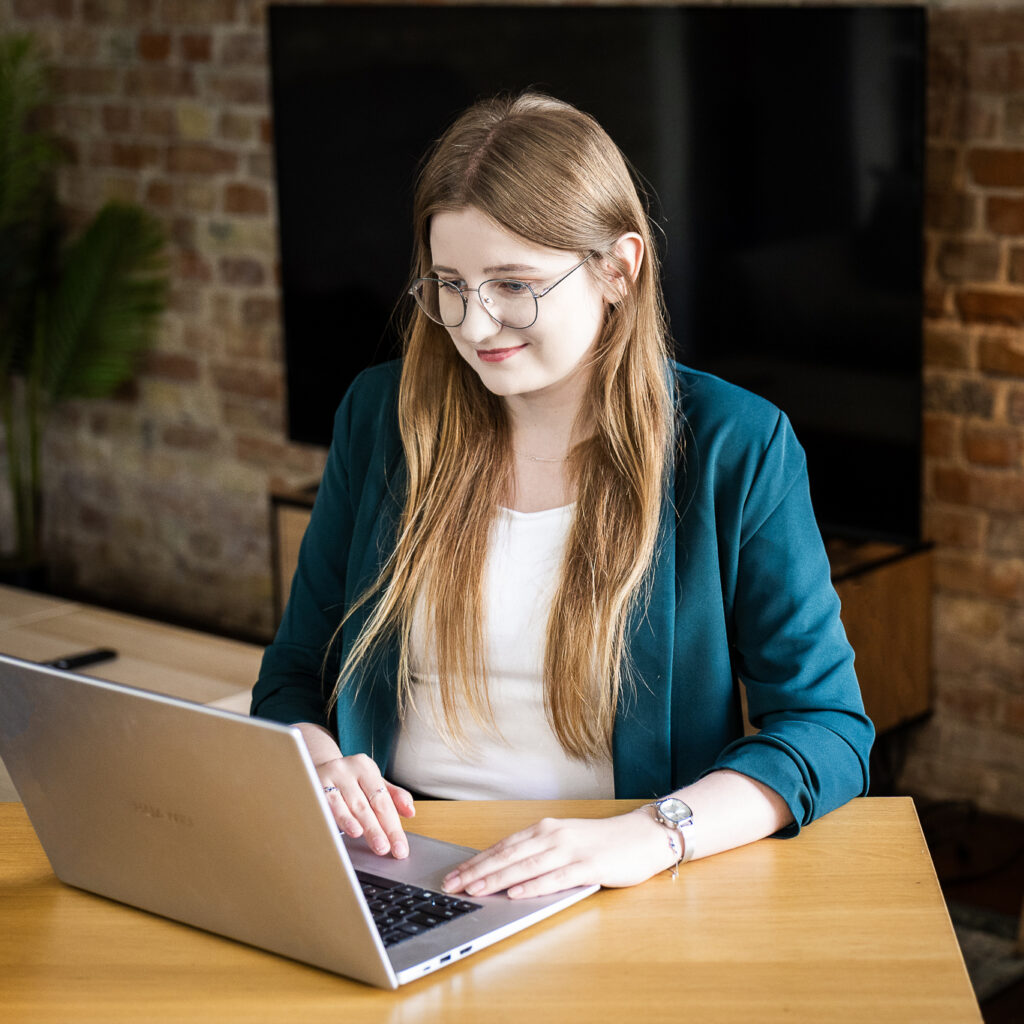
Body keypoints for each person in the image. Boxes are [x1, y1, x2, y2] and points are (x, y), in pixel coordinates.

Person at [252, 92, 873, 900]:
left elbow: (828, 729)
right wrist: (314, 755)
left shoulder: (736, 446)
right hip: (393, 861)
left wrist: (650, 837)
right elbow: (297, 668)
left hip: (614, 870)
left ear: (619, 269)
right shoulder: (381, 415)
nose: (474, 327)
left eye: (514, 285)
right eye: (449, 284)